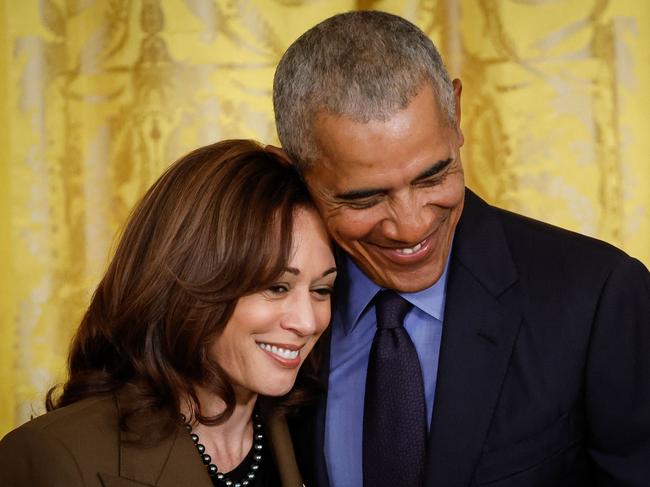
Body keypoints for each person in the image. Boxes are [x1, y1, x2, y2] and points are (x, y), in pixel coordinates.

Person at [272, 10, 650, 487]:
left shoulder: (598, 297)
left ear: (456, 113)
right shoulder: (263, 309)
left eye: (433, 176)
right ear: (296, 169)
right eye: (364, 197)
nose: (410, 227)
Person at [0, 139, 337, 487]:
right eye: (276, 287)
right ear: (193, 280)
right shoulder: (53, 456)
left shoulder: (320, 440)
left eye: (321, 290)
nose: (307, 322)